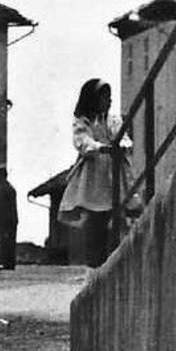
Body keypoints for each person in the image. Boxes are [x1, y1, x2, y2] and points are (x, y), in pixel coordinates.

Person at [56, 78, 138, 267]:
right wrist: (99, 147)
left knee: (118, 214)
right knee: (95, 218)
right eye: (104, 97)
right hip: (94, 174)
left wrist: (122, 145)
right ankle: (95, 263)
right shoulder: (83, 121)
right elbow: (82, 141)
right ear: (93, 100)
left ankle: (114, 261)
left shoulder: (113, 119)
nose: (108, 101)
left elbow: (123, 136)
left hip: (113, 170)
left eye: (109, 97)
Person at [0, 166, 19, 270]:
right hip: (11, 219)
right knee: (9, 241)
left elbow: (2, 207)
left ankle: (7, 263)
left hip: (6, 220)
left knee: (6, 242)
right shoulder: (9, 187)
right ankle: (9, 263)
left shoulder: (2, 189)